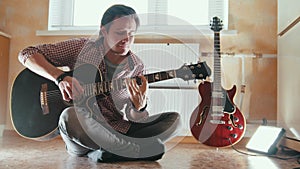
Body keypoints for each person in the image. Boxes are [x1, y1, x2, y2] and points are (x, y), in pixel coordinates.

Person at [18, 4, 181, 162]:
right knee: (69, 117)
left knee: (174, 121)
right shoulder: (81, 48)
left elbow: (134, 117)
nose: (126, 39)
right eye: (120, 32)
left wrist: (139, 106)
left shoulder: (137, 66)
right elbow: (27, 53)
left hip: (117, 130)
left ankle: (111, 151)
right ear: (104, 31)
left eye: (131, 33)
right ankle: (132, 151)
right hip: (83, 134)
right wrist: (59, 77)